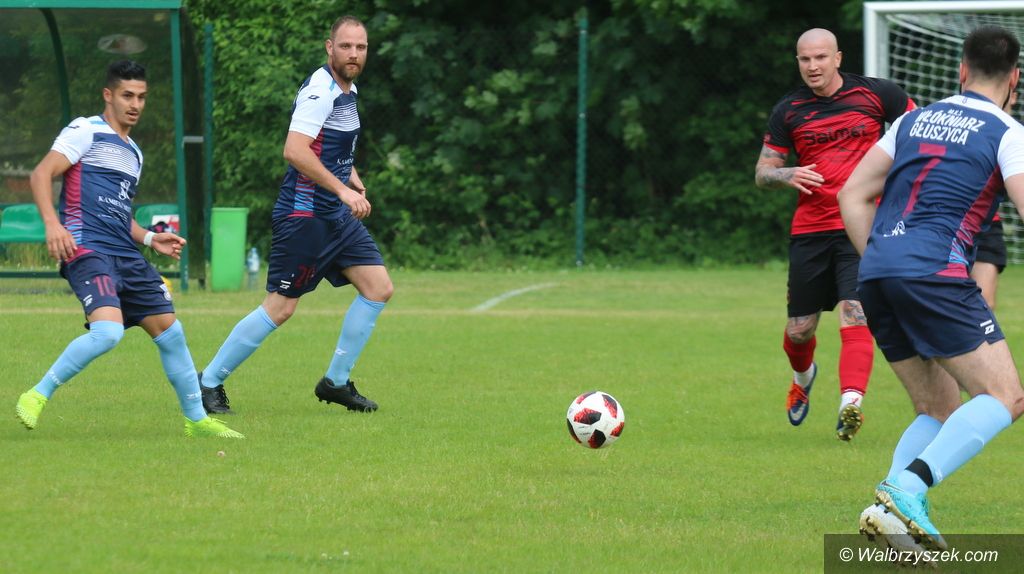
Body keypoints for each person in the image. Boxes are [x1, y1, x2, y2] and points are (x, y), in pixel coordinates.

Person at [839, 24, 1024, 550]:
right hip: (935, 274)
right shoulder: (1007, 133)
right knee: (1005, 396)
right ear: (1014, 79)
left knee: (937, 407)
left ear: (961, 71)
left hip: (877, 272)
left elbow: (852, 194)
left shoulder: (912, 119)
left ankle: (886, 514)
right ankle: (907, 488)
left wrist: (882, 260)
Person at [14, 60, 243, 439]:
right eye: (127, 96)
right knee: (107, 333)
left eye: (141, 97)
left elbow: (122, 214)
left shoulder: (134, 153)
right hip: (87, 249)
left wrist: (151, 238)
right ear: (108, 95)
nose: (135, 104)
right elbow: (40, 174)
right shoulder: (86, 130)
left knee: (171, 332)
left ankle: (196, 421)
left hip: (126, 254)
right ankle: (37, 394)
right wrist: (52, 224)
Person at [198, 15, 393, 415]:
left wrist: (352, 179)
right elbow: (295, 150)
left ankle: (335, 382)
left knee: (378, 287)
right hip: (304, 215)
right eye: (346, 46)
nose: (353, 54)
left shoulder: (349, 90)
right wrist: (342, 190)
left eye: (360, 47)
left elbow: (331, 148)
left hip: (335, 216)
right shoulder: (320, 91)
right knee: (281, 307)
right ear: (329, 47)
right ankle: (208, 382)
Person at [755, 28, 915, 440]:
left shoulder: (879, 95)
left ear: (838, 58)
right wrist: (786, 174)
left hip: (860, 224)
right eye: (805, 59)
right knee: (799, 330)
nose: (813, 66)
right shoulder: (789, 110)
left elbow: (919, 134)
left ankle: (850, 404)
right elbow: (763, 172)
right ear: (798, 62)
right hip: (810, 229)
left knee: (855, 311)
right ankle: (803, 377)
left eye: (821, 57)